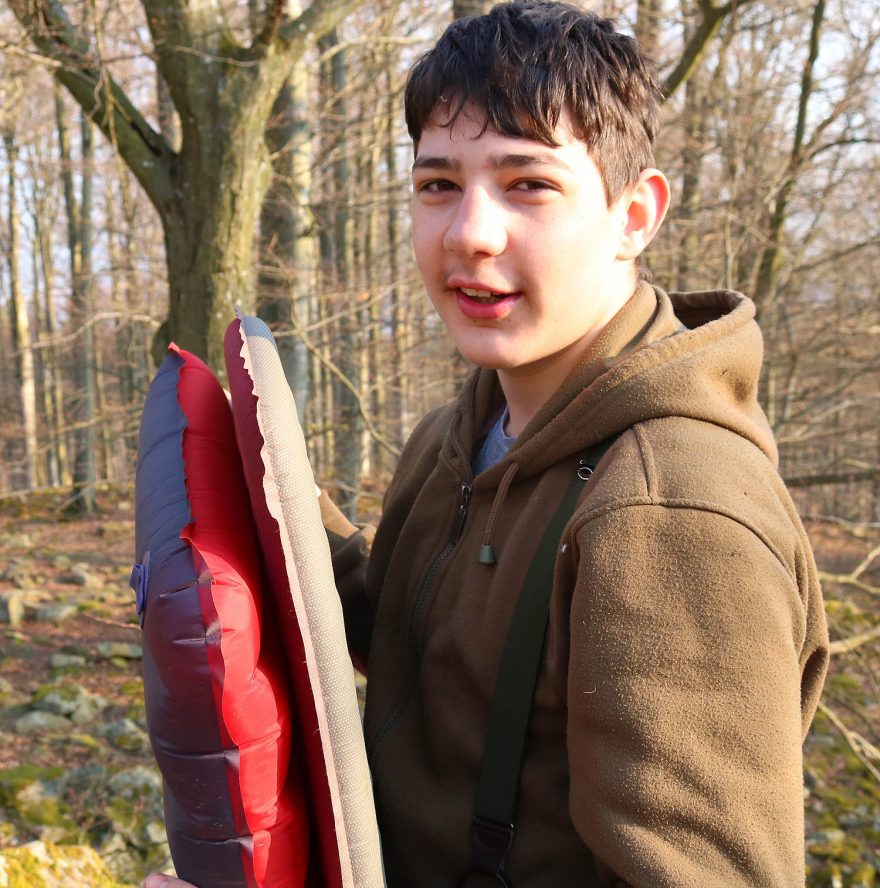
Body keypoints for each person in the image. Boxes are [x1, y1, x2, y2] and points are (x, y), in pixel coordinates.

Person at [143, 2, 828, 886]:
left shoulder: (672, 510)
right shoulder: (460, 434)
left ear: (634, 215)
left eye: (528, 183)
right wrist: (270, 508)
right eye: (438, 184)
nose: (470, 232)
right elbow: (426, 637)